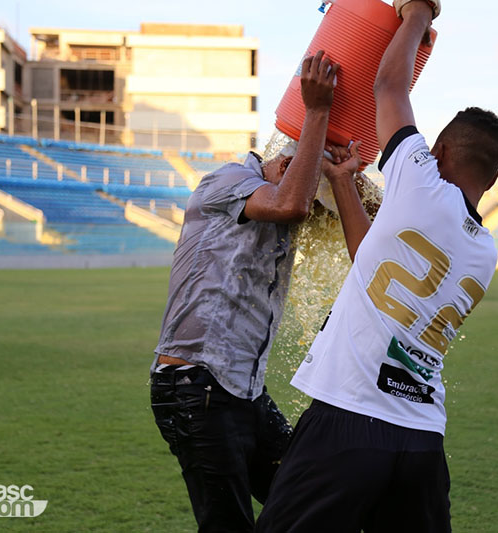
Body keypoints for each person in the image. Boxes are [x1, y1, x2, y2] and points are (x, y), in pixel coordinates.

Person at [256, 1, 498, 531]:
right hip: (421, 439)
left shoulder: (421, 182)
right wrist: (344, 182)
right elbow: (372, 259)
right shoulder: (485, 252)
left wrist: (418, 13)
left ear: (439, 150)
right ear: (492, 177)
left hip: (348, 419)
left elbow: (389, 87)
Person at [149, 51, 358, 532]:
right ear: (283, 160)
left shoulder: (286, 190)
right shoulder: (228, 179)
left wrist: (344, 176)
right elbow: (291, 204)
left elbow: (361, 220)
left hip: (242, 392)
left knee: (310, 500)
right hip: (194, 387)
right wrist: (318, 111)